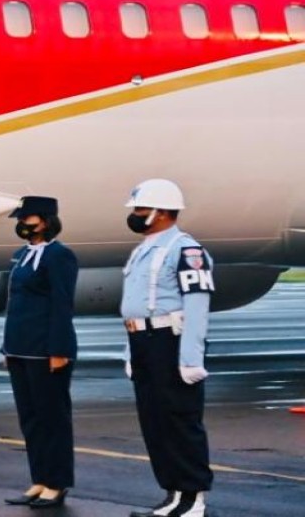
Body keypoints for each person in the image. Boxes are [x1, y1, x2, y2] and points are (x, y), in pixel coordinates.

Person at [121, 179, 214, 517]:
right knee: (155, 422)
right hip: (143, 342)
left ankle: (193, 499)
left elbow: (197, 306)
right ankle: (173, 494)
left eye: (141, 209)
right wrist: (130, 352)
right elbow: (133, 305)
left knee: (179, 420)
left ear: (161, 212)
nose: (135, 215)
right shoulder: (145, 249)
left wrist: (190, 358)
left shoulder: (186, 250)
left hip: (169, 342)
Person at [0, 196, 78, 509]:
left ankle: (57, 482)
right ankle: (40, 479)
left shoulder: (60, 256)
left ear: (45, 221)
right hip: (20, 348)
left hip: (47, 349)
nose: (22, 225)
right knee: (30, 419)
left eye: (28, 219)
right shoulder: (21, 255)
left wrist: (59, 349)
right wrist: (7, 347)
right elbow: (14, 304)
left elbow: (62, 304)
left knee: (52, 420)